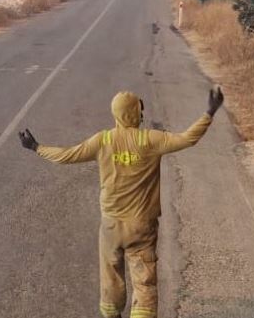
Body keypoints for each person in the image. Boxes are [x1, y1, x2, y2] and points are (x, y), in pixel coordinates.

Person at [19, 86, 224, 318]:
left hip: (111, 227)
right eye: (139, 110)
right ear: (135, 113)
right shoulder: (150, 139)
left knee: (111, 277)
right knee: (144, 283)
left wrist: (36, 147)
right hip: (141, 227)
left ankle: (111, 311)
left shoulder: (103, 140)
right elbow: (188, 138)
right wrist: (209, 112)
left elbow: (67, 155)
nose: (142, 114)